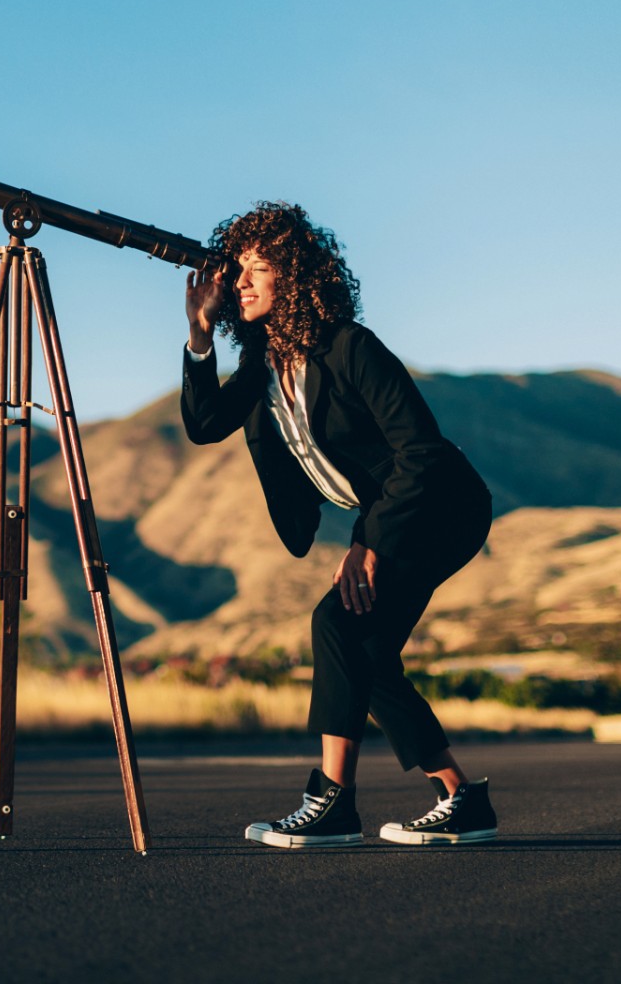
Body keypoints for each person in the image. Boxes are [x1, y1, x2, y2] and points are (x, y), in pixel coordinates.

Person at [181, 201, 497, 848]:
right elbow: (204, 423)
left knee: (337, 623)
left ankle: (332, 802)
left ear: (294, 278)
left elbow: (421, 451)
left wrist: (370, 544)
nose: (239, 282)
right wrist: (199, 334)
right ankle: (461, 798)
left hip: (440, 504)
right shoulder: (263, 368)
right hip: (387, 516)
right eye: (234, 271)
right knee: (368, 657)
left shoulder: (350, 348)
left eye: (255, 270)